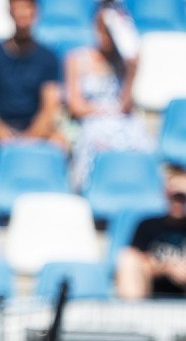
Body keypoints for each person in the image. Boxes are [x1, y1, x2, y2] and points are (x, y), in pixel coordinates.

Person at [65, 1, 153, 187]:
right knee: (96, 144)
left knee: (143, 144)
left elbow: (126, 106)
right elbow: (76, 106)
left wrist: (132, 72)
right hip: (92, 124)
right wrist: (108, 111)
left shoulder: (124, 64)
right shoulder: (76, 58)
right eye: (102, 28)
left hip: (122, 123)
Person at [0, 0, 66, 155]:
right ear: (11, 13)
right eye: (18, 9)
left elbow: (50, 105)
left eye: (27, 9)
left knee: (60, 143)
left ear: (35, 13)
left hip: (33, 125)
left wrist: (32, 137)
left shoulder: (48, 57)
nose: (23, 14)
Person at [115, 170, 186, 299]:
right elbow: (135, 258)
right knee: (128, 259)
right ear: (166, 195)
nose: (179, 202)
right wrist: (167, 269)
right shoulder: (148, 225)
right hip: (149, 291)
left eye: (183, 197)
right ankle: (131, 315)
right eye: (174, 196)